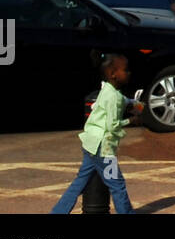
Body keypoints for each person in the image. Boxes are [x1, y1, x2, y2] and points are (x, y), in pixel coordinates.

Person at [51, 52, 143, 214]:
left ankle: (58, 212)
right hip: (104, 148)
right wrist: (131, 121)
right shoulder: (113, 97)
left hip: (91, 143)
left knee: (80, 183)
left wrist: (134, 103)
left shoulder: (106, 89)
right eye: (125, 70)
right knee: (117, 184)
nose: (129, 73)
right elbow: (112, 126)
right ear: (113, 74)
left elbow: (121, 100)